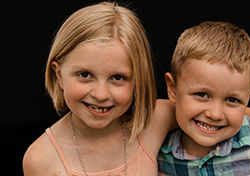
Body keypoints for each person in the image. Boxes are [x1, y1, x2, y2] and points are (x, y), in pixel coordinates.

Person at [22, 2, 176, 176]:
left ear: (138, 80)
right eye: (85, 75)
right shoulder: (41, 159)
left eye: (118, 78)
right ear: (59, 75)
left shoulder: (156, 120)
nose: (101, 94)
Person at [158, 21, 250, 176]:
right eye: (202, 95)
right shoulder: (158, 154)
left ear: (247, 100)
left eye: (232, 100)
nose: (215, 114)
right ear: (173, 89)